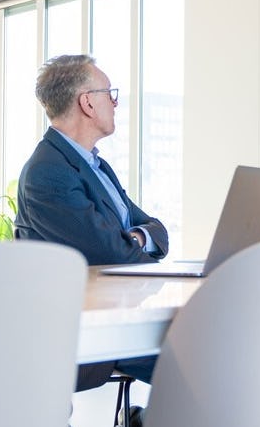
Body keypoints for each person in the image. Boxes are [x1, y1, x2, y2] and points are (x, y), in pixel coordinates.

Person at [15, 55, 168, 410]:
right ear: (87, 101)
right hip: (83, 333)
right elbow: (113, 254)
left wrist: (136, 237)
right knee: (201, 362)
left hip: (116, 317)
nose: (114, 103)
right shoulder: (47, 173)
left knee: (208, 350)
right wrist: (129, 240)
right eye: (109, 93)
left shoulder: (96, 165)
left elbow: (157, 232)